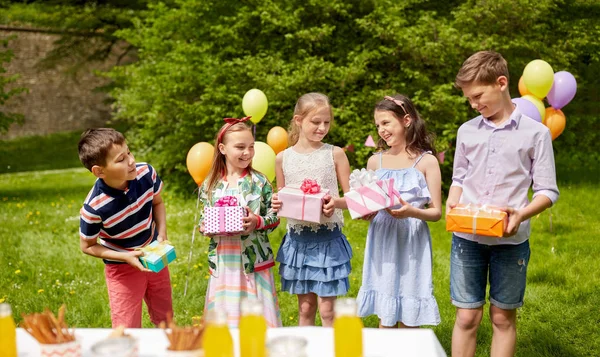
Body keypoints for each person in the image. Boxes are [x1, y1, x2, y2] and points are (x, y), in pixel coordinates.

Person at [449, 51, 559, 357]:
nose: (473, 105)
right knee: (467, 315)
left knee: (502, 316)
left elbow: (548, 191)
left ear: (501, 83)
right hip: (467, 238)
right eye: (469, 99)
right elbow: (458, 178)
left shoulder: (536, 134)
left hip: (511, 241)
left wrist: (521, 213)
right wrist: (452, 201)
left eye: (478, 96)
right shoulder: (467, 130)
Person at [356, 94, 442, 328]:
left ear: (406, 120)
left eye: (386, 123)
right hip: (382, 238)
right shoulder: (375, 162)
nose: (381, 130)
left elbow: (436, 212)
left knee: (409, 313)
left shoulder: (426, 162)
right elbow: (369, 203)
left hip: (411, 239)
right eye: (377, 125)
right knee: (386, 314)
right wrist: (367, 211)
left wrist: (412, 212)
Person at [271, 92, 352, 327]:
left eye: (326, 122)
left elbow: (352, 199)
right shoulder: (282, 158)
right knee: (305, 309)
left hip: (328, 240)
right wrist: (277, 204)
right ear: (298, 120)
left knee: (328, 312)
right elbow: (282, 198)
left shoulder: (334, 154)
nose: (322, 127)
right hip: (298, 242)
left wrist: (334, 203)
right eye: (315, 122)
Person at [78, 128, 172, 328]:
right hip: (122, 269)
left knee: (166, 319)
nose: (130, 161)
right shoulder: (94, 207)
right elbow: (87, 246)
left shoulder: (146, 173)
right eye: (121, 159)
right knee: (127, 328)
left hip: (154, 256)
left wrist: (161, 233)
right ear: (99, 171)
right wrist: (126, 257)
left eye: (129, 152)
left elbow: (158, 203)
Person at [199, 116, 282, 328]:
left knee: (257, 316)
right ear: (223, 148)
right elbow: (203, 218)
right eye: (240, 147)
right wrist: (205, 226)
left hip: (254, 261)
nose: (247, 152)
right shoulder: (210, 185)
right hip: (224, 261)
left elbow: (274, 218)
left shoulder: (259, 181)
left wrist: (258, 221)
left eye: (251, 146)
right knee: (226, 317)